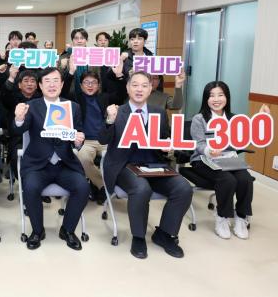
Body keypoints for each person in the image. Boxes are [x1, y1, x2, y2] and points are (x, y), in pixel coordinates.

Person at [99, 71, 193, 259]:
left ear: (151, 89)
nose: (139, 89)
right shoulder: (118, 111)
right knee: (141, 189)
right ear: (127, 88)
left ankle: (164, 234)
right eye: (135, 85)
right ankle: (139, 237)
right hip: (124, 165)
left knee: (184, 188)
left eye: (144, 85)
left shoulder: (159, 112)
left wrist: (169, 148)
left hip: (154, 164)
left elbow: (165, 140)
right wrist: (110, 120)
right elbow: (102, 139)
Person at [12, 67, 90, 251]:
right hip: (38, 164)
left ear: (62, 84)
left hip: (65, 163)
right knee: (30, 187)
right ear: (40, 85)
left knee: (82, 187)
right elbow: (17, 131)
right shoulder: (32, 107)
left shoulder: (73, 107)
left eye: (56, 80)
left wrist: (79, 141)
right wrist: (18, 119)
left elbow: (77, 137)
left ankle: (68, 230)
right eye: (47, 81)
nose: (52, 84)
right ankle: (38, 231)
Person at [189, 81, 269, 239]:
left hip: (229, 160)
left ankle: (241, 217)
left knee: (246, 179)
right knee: (228, 180)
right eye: (211, 96)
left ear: (227, 97)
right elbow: (198, 144)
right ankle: (222, 218)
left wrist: (261, 119)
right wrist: (209, 150)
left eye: (220, 95)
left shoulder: (234, 118)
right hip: (203, 159)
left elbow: (247, 136)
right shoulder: (199, 119)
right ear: (206, 99)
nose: (216, 99)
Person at [74, 71, 109, 204]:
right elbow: (64, 91)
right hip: (86, 141)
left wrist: (119, 76)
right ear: (81, 86)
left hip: (104, 140)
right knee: (82, 158)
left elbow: (120, 94)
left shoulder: (104, 98)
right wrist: (70, 72)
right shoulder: (77, 98)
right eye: (86, 82)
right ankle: (103, 186)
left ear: (98, 85)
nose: (90, 85)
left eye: (93, 82)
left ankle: (99, 188)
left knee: (119, 157)